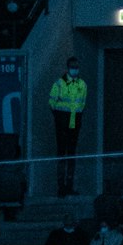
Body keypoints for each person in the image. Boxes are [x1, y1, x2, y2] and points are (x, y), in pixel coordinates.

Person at [48, 57, 87, 199]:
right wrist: (59, 117)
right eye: (72, 66)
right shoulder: (59, 84)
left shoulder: (82, 84)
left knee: (71, 154)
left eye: (77, 66)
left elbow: (82, 103)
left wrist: (76, 116)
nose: (75, 69)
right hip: (62, 121)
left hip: (75, 121)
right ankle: (61, 187)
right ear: (67, 67)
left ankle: (69, 186)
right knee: (61, 154)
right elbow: (51, 102)